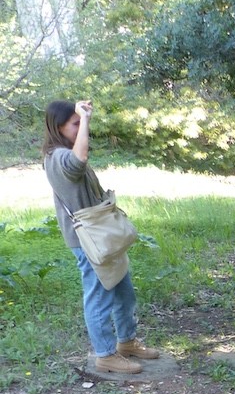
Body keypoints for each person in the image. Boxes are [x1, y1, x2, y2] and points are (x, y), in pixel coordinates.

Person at [43, 99, 160, 375]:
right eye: (74, 123)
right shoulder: (58, 157)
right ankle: (106, 354)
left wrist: (83, 118)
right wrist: (84, 118)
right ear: (58, 127)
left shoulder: (63, 152)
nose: (82, 128)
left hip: (101, 236)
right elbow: (78, 161)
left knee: (123, 291)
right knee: (98, 295)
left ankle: (127, 342)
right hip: (88, 240)